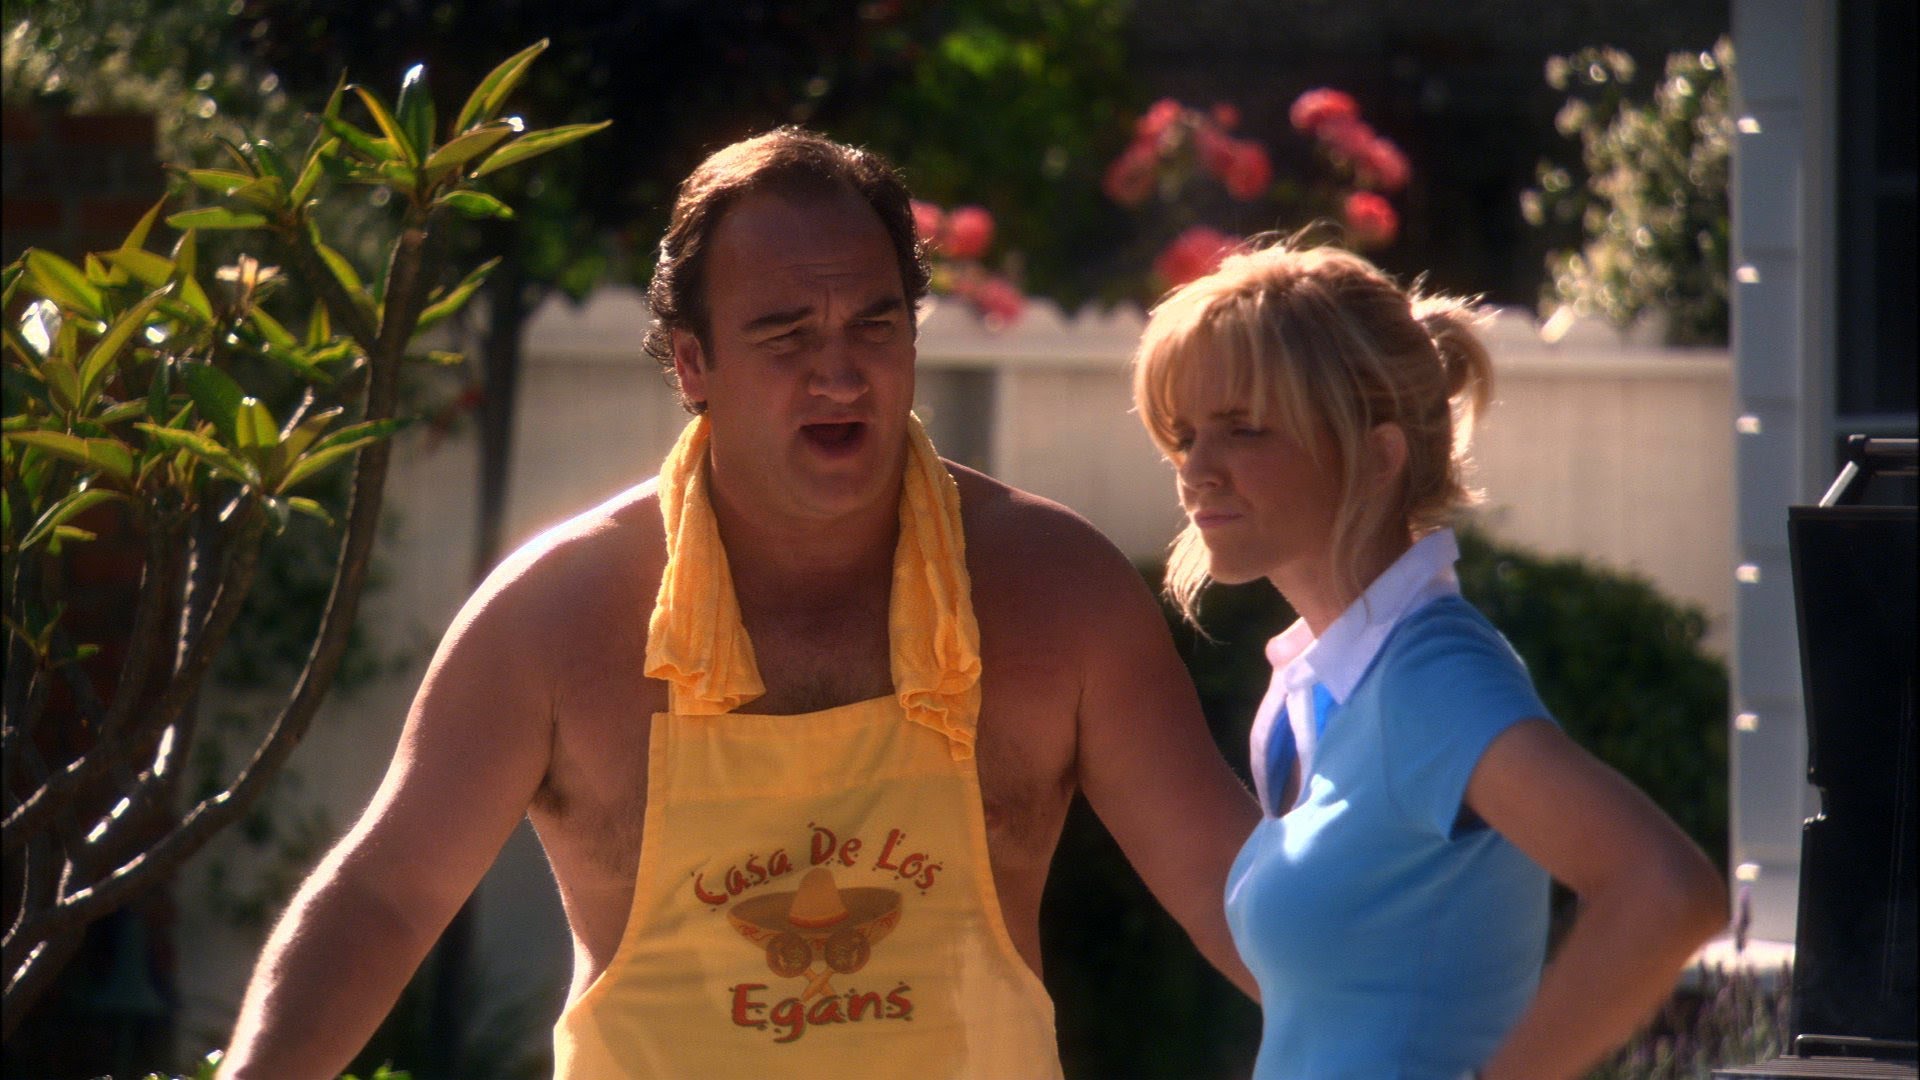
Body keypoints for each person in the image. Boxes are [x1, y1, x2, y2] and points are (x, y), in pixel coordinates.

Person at [218, 128, 1258, 1079]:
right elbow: (387, 898)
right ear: (692, 363)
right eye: (786, 334)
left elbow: (1237, 895)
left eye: (874, 324)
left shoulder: (1060, 592)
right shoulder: (554, 618)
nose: (840, 372)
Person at [1130, 240, 1728, 1080]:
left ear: (1378, 456)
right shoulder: (1320, 684)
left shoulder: (1431, 676)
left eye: (1243, 430)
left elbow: (1667, 891)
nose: (1195, 470)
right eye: (1185, 435)